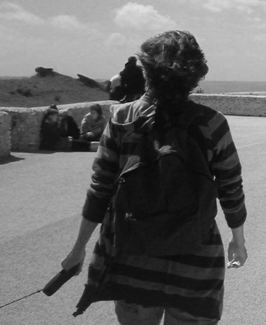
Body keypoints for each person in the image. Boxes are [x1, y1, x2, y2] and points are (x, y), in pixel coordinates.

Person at [63, 30, 248, 323]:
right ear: (195, 76)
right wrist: (238, 240)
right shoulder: (212, 123)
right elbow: (230, 188)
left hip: (132, 259)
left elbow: (100, 189)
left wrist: (78, 250)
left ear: (146, 71)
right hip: (195, 261)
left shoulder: (122, 118)